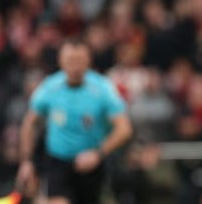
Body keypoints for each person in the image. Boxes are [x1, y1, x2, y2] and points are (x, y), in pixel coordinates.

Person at [16, 38, 133, 204]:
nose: (75, 66)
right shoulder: (49, 87)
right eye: (70, 60)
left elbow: (124, 129)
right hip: (57, 162)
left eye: (79, 60)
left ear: (88, 61)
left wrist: (98, 153)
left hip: (91, 165)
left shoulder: (103, 89)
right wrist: (27, 161)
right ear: (61, 61)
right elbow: (30, 123)